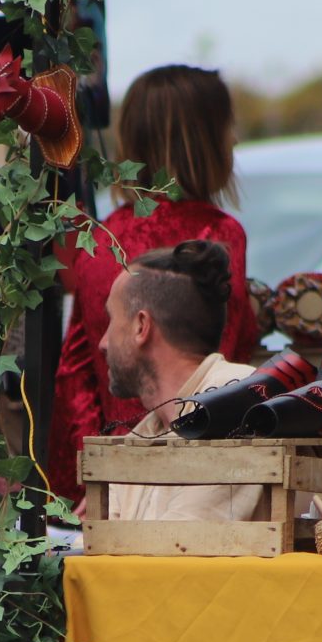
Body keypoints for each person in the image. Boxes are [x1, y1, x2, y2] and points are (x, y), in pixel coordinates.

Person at [47, 65, 260, 508]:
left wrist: (88, 478)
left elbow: (77, 372)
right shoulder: (218, 234)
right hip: (200, 470)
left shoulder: (101, 237)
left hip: (115, 471)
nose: (235, 140)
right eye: (227, 128)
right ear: (203, 141)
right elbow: (221, 360)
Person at [99, 241, 264, 523]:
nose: (103, 342)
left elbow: (180, 549)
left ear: (141, 326)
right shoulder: (145, 432)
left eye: (111, 320)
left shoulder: (237, 399)